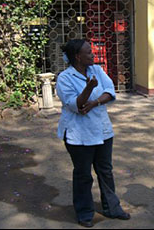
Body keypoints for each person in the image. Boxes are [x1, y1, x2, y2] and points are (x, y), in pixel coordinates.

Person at [56, 39, 130, 228]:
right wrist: (89, 89)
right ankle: (84, 212)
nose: (93, 54)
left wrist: (95, 102)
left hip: (102, 131)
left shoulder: (96, 70)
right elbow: (76, 105)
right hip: (78, 134)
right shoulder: (65, 78)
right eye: (88, 52)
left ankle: (112, 208)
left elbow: (109, 90)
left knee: (105, 171)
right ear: (77, 57)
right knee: (83, 174)